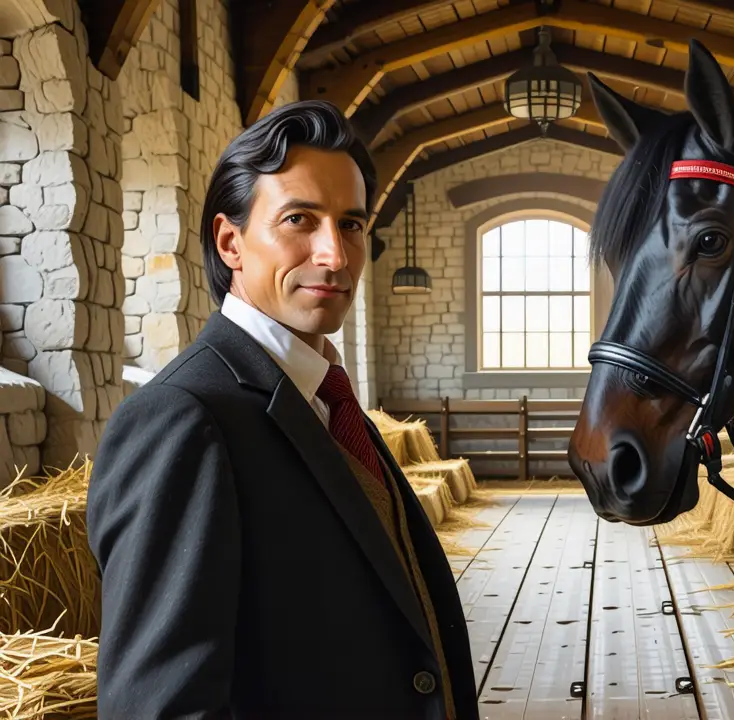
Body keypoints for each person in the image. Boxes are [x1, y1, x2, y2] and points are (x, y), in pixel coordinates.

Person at [86, 100, 478, 719]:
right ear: (231, 242)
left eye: (351, 224)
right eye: (300, 219)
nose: (336, 255)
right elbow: (159, 708)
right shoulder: (182, 419)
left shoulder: (328, 398)